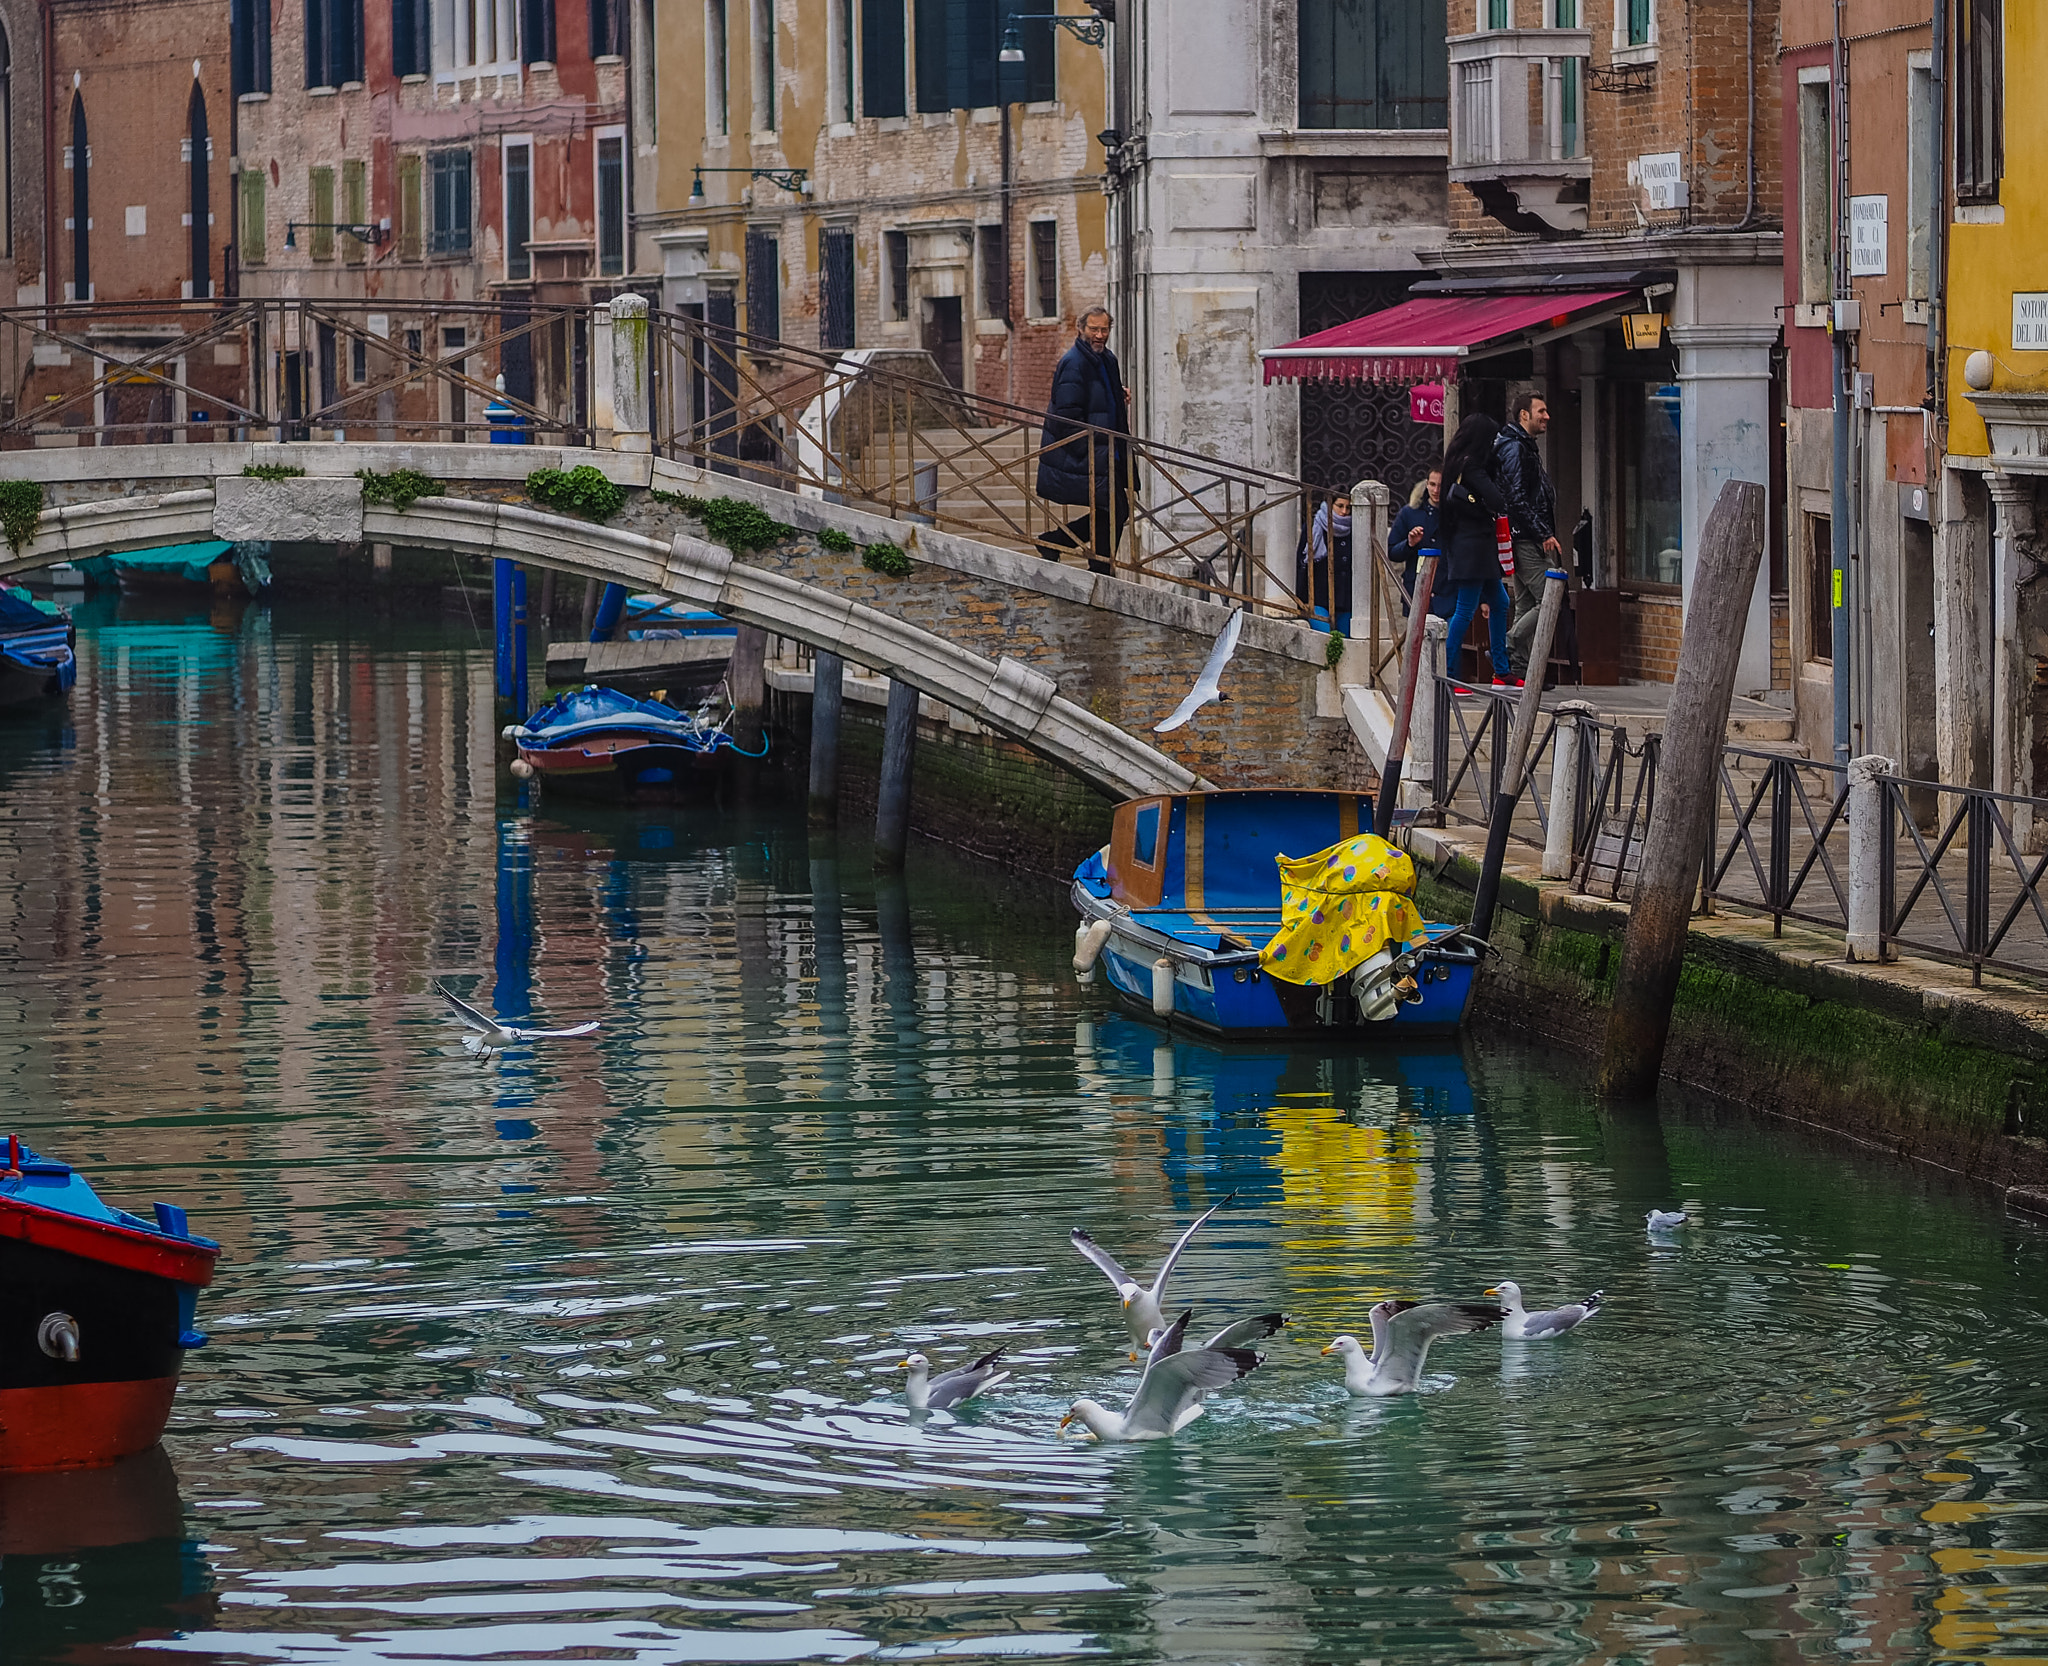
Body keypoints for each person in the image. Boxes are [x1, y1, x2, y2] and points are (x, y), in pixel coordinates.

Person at [1036, 307, 1132, 575]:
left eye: (1104, 329)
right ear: (1081, 329)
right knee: (1115, 509)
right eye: (1094, 329)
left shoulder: (1106, 359)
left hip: (1108, 451)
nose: (1099, 335)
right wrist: (1087, 452)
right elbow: (1067, 415)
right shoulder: (1074, 362)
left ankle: (1086, 559)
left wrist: (1118, 394)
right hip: (1090, 452)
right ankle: (1076, 553)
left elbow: (1097, 397)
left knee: (1112, 510)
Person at [1438, 413, 1515, 689]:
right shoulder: (1472, 467)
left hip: (1476, 547)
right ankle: (1448, 674)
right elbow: (1497, 499)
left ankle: (1501, 669)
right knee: (1465, 609)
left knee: (1501, 603)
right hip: (1472, 548)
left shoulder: (1457, 464)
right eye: (1492, 438)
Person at [1493, 390, 1563, 678]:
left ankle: (1519, 668)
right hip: (1525, 537)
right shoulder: (1515, 448)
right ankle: (1508, 645)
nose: (1547, 416)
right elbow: (1516, 497)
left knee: (1525, 603)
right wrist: (1542, 532)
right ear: (1524, 415)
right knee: (1550, 598)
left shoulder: (1522, 445)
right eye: (1541, 411)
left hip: (1523, 535)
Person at [1296, 492, 1353, 632]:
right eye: (1340, 506)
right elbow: (1301, 561)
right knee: (1324, 636)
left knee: (1344, 640)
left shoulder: (1355, 528)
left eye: (1348, 507)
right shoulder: (1313, 526)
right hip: (1318, 596)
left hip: (1345, 598)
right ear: (1329, 505)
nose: (1344, 511)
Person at [1386, 469, 1442, 601]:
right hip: (1417, 590)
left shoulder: (1456, 513)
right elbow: (1392, 552)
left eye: (1440, 486)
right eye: (1433, 485)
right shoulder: (1409, 512)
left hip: (1448, 592)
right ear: (1426, 484)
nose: (1436, 491)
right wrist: (1409, 543)